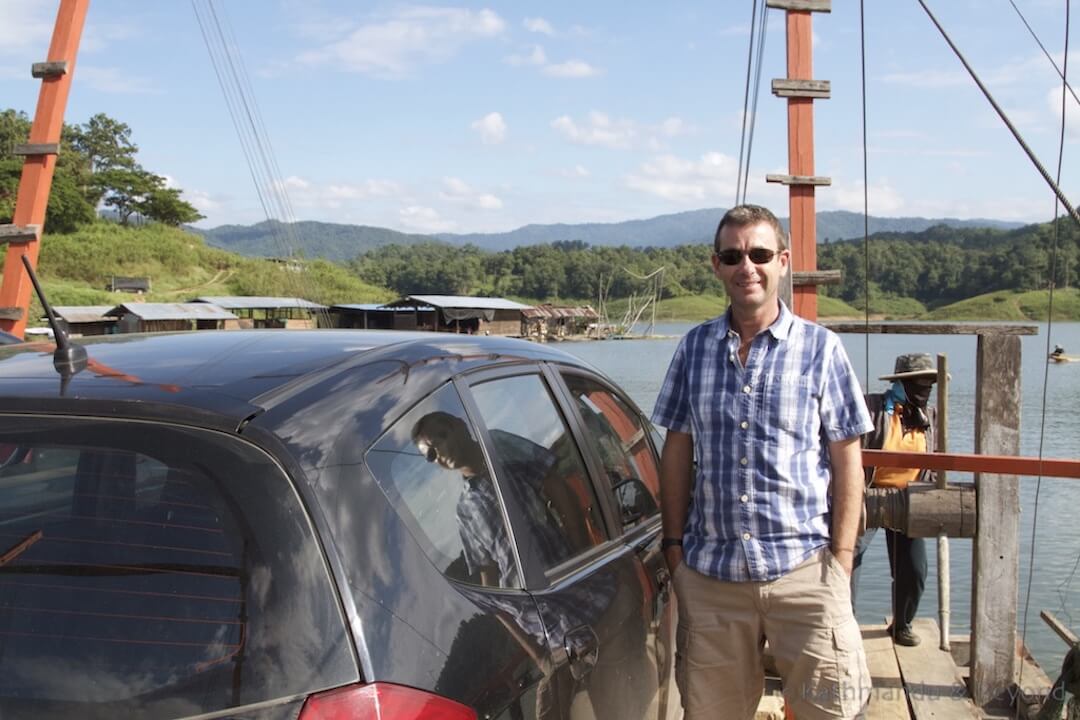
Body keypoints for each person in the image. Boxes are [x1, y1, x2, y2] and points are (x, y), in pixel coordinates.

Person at [652, 204, 873, 720]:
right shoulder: (694, 349)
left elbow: (847, 462)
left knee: (832, 711)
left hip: (806, 572)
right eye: (733, 256)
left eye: (759, 253)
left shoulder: (822, 350)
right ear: (716, 265)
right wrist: (673, 550)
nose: (746, 266)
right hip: (711, 577)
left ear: (783, 262)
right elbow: (677, 450)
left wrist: (840, 562)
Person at [851, 353, 937, 647]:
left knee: (914, 568)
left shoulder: (930, 416)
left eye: (930, 383)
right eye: (919, 383)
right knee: (849, 556)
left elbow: (936, 459)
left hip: (911, 497)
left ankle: (903, 624)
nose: (925, 389)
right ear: (901, 383)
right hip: (869, 493)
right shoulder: (873, 407)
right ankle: (845, 625)